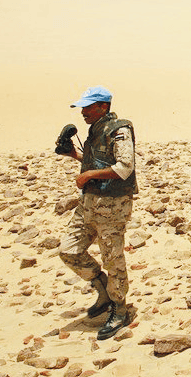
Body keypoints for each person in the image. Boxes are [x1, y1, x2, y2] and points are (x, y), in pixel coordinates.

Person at [57, 85, 136, 341]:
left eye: (88, 107)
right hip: (89, 204)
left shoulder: (120, 130)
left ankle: (119, 307)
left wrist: (90, 174)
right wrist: (74, 155)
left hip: (112, 205)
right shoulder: (95, 131)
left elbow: (124, 167)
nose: (83, 112)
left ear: (103, 106)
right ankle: (102, 289)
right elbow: (97, 162)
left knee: (113, 258)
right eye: (83, 107)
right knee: (69, 250)